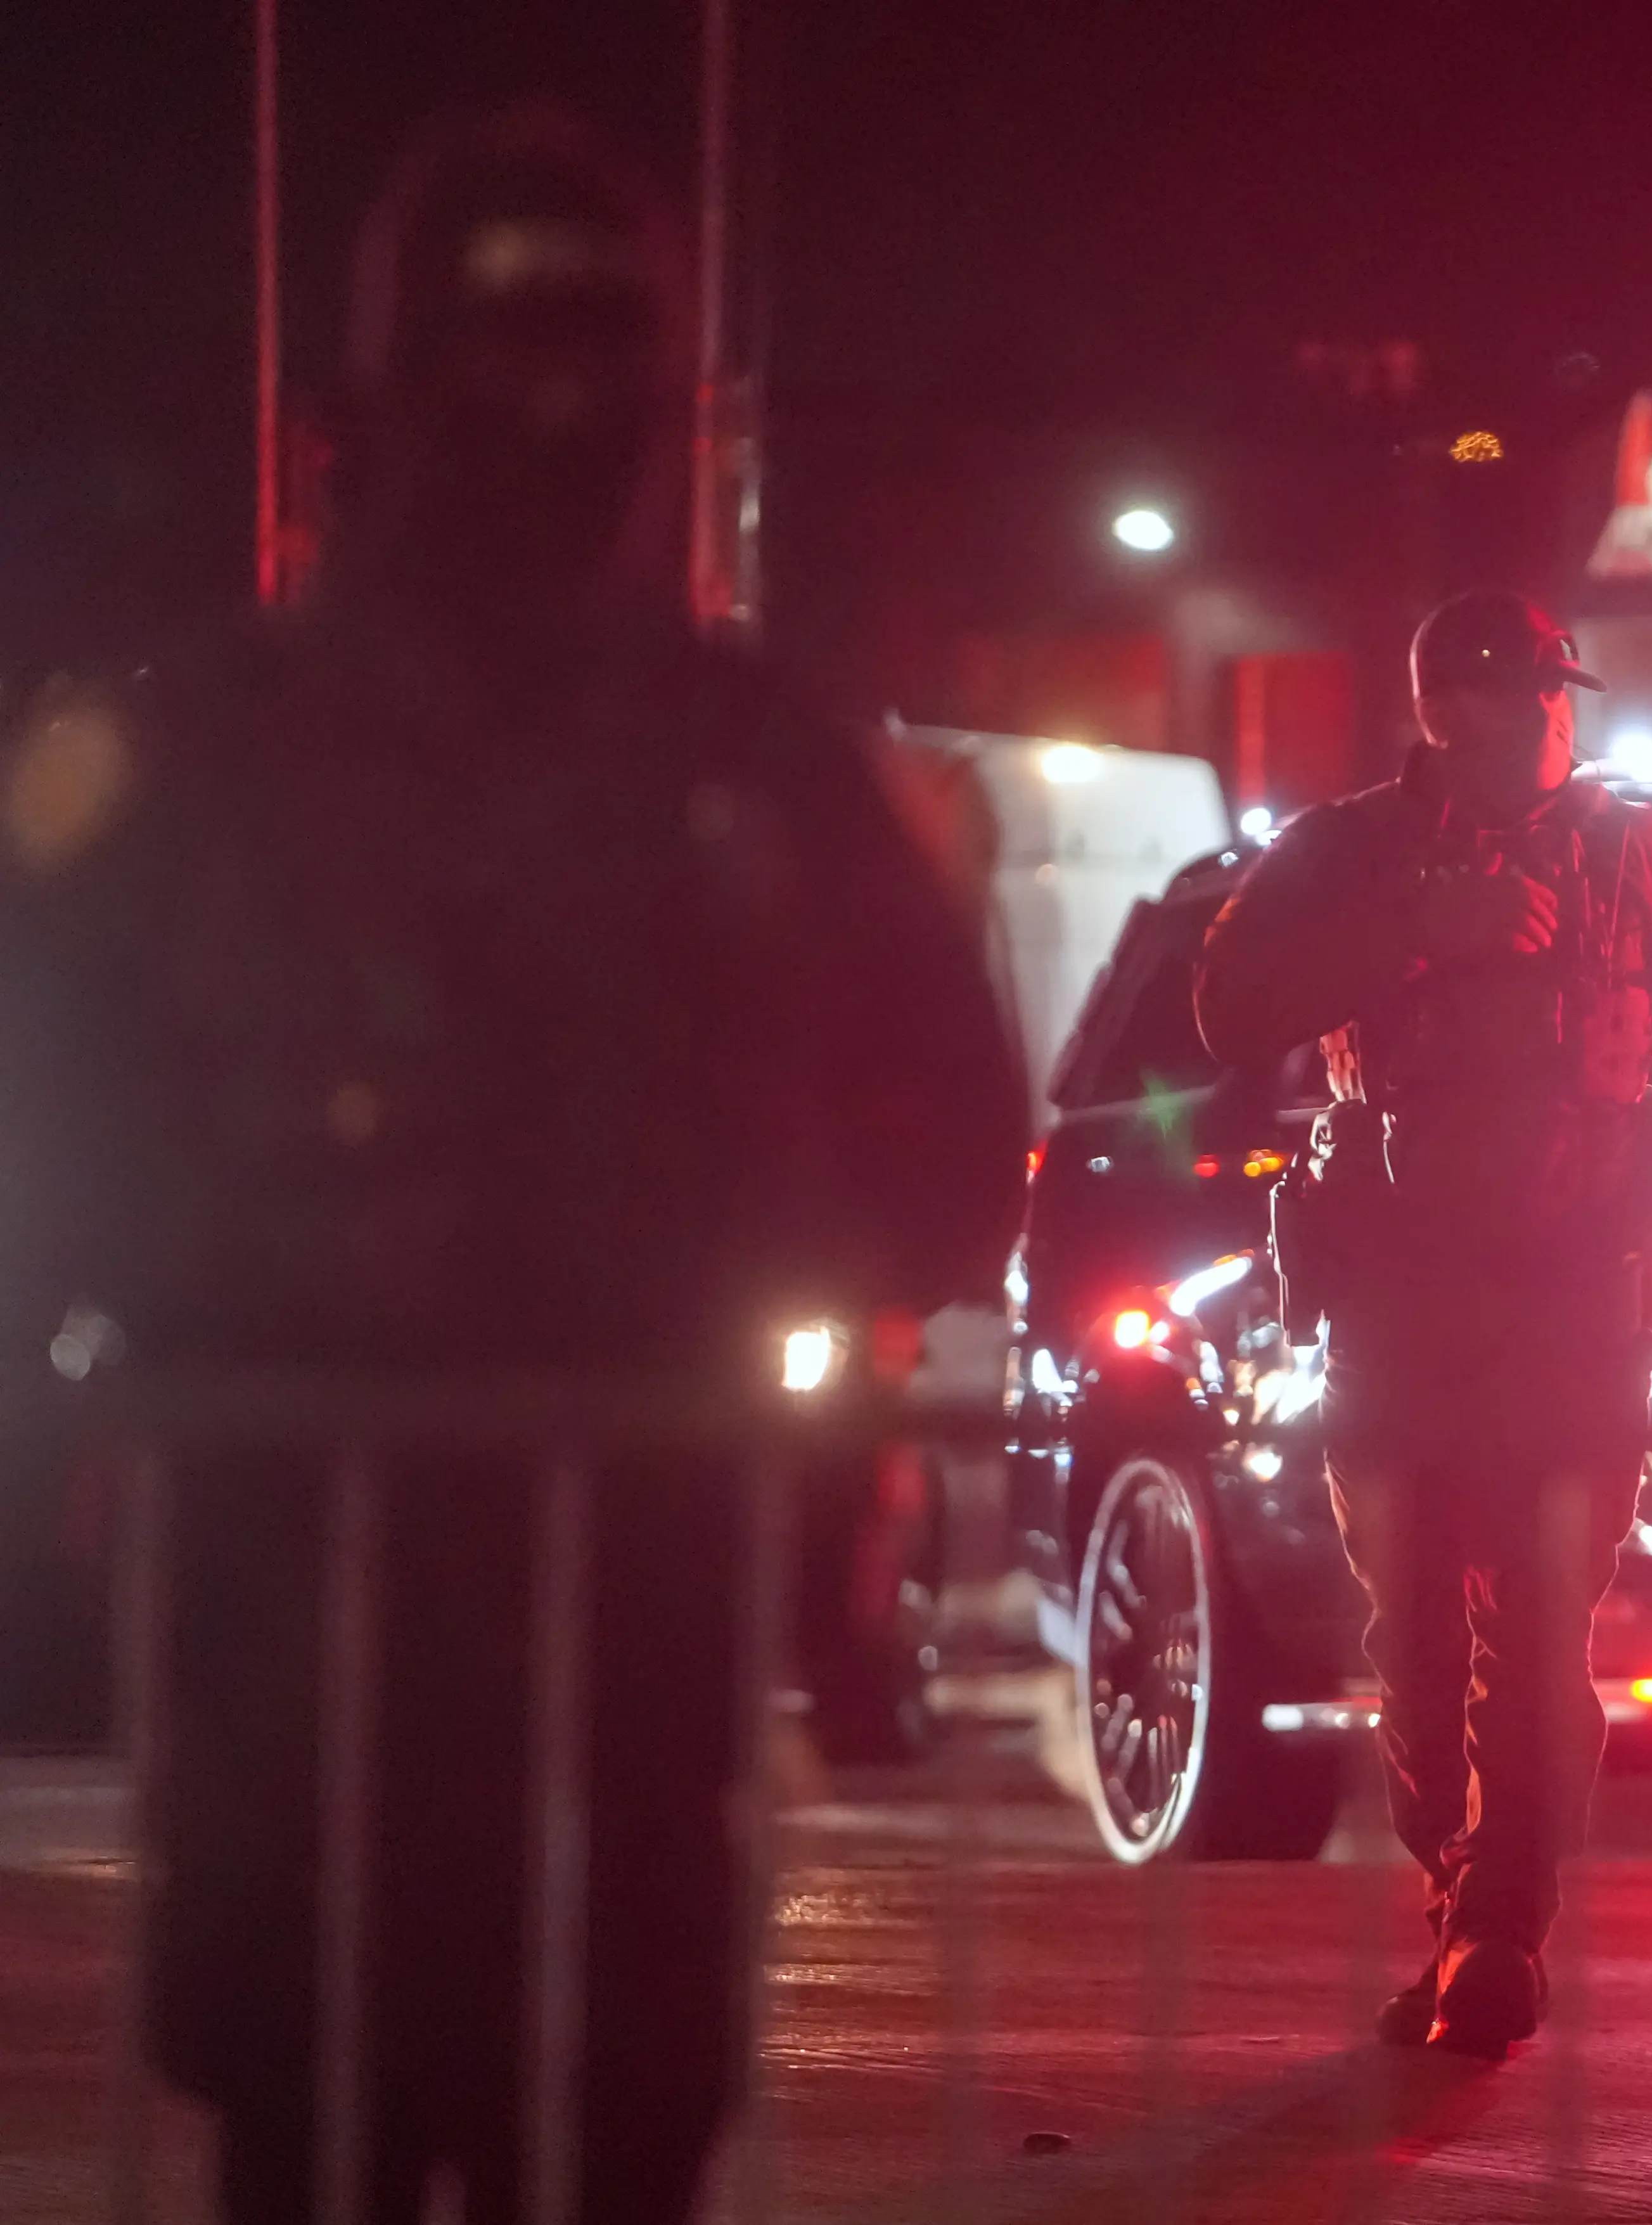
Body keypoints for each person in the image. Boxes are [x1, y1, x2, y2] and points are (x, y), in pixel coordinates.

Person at [0, 112, 1026, 2221]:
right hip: (340, 1536)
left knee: (555, 2090)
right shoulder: (236, 749)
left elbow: (945, 1146)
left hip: (566, 1543)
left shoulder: (724, 765)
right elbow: (50, 1102)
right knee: (362, 2089)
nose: (541, 435)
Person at [1193, 589, 1652, 2061]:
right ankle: (1460, 1913)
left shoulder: (1640, 854)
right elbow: (1227, 1008)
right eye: (1532, 698)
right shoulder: (1350, 849)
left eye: (1562, 697)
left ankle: (1501, 1932)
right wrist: (1415, 933)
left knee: (1542, 1629)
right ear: (1456, 712)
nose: (1556, 721)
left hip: (1576, 1297)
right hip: (1398, 1302)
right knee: (1415, 1636)